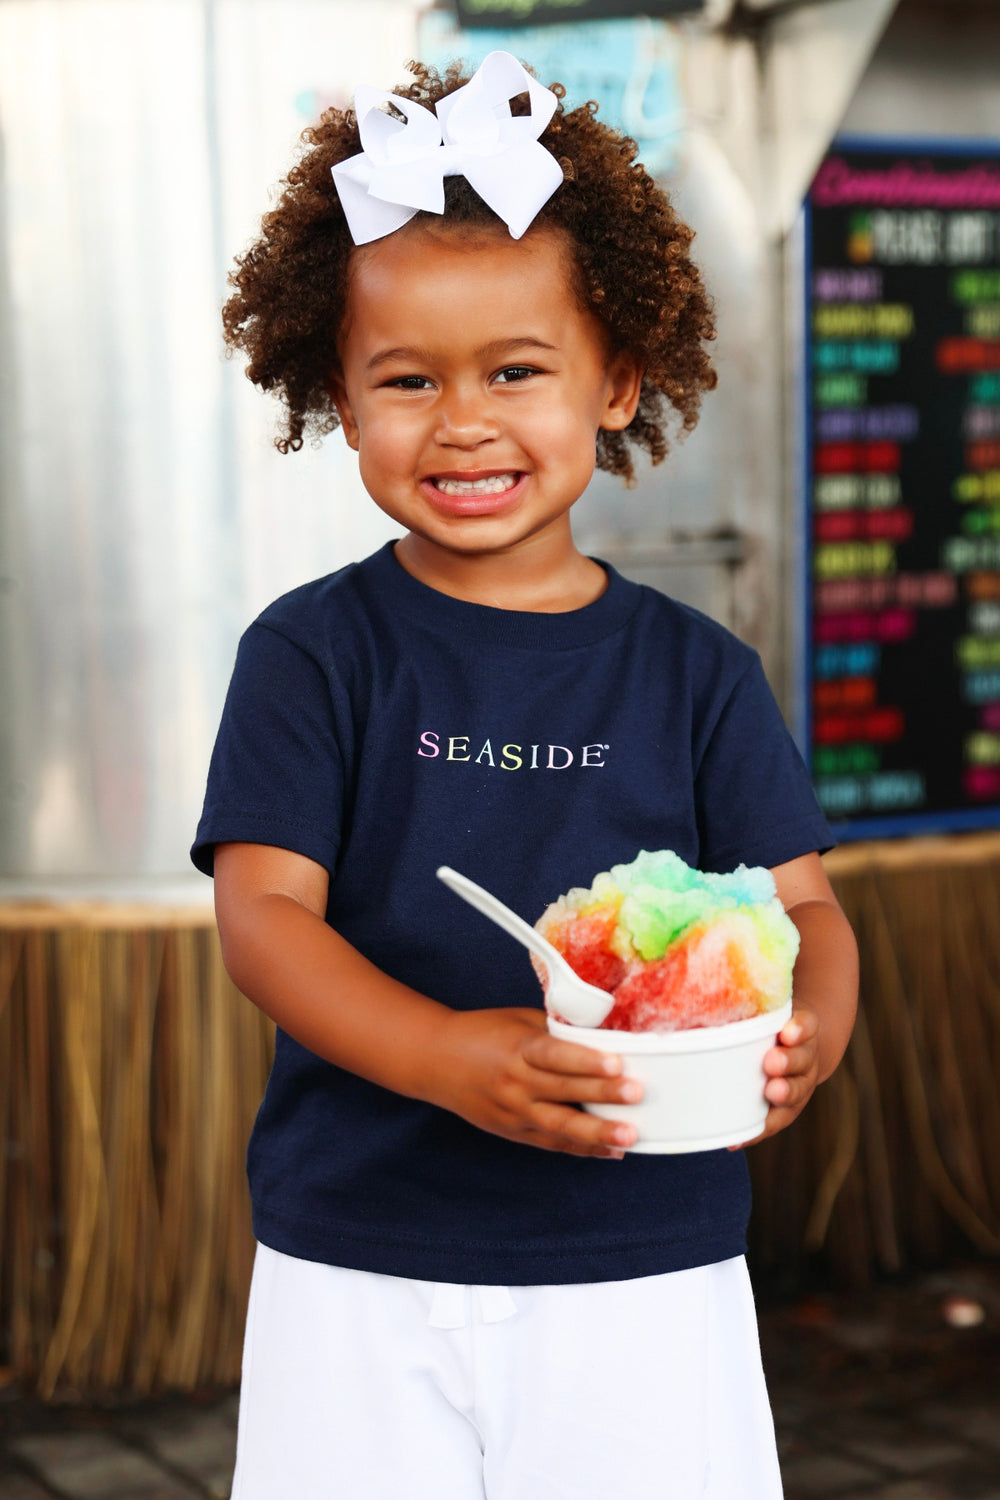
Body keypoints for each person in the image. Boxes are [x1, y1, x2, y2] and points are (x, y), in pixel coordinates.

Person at [192, 51, 858, 1500]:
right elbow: (265, 919)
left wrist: (813, 1027)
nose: (465, 420)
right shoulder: (313, 654)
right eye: (407, 380)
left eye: (516, 370)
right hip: (357, 1257)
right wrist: (447, 1057)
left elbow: (802, 904)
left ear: (618, 381)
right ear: (337, 398)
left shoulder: (696, 671)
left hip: (646, 1260)